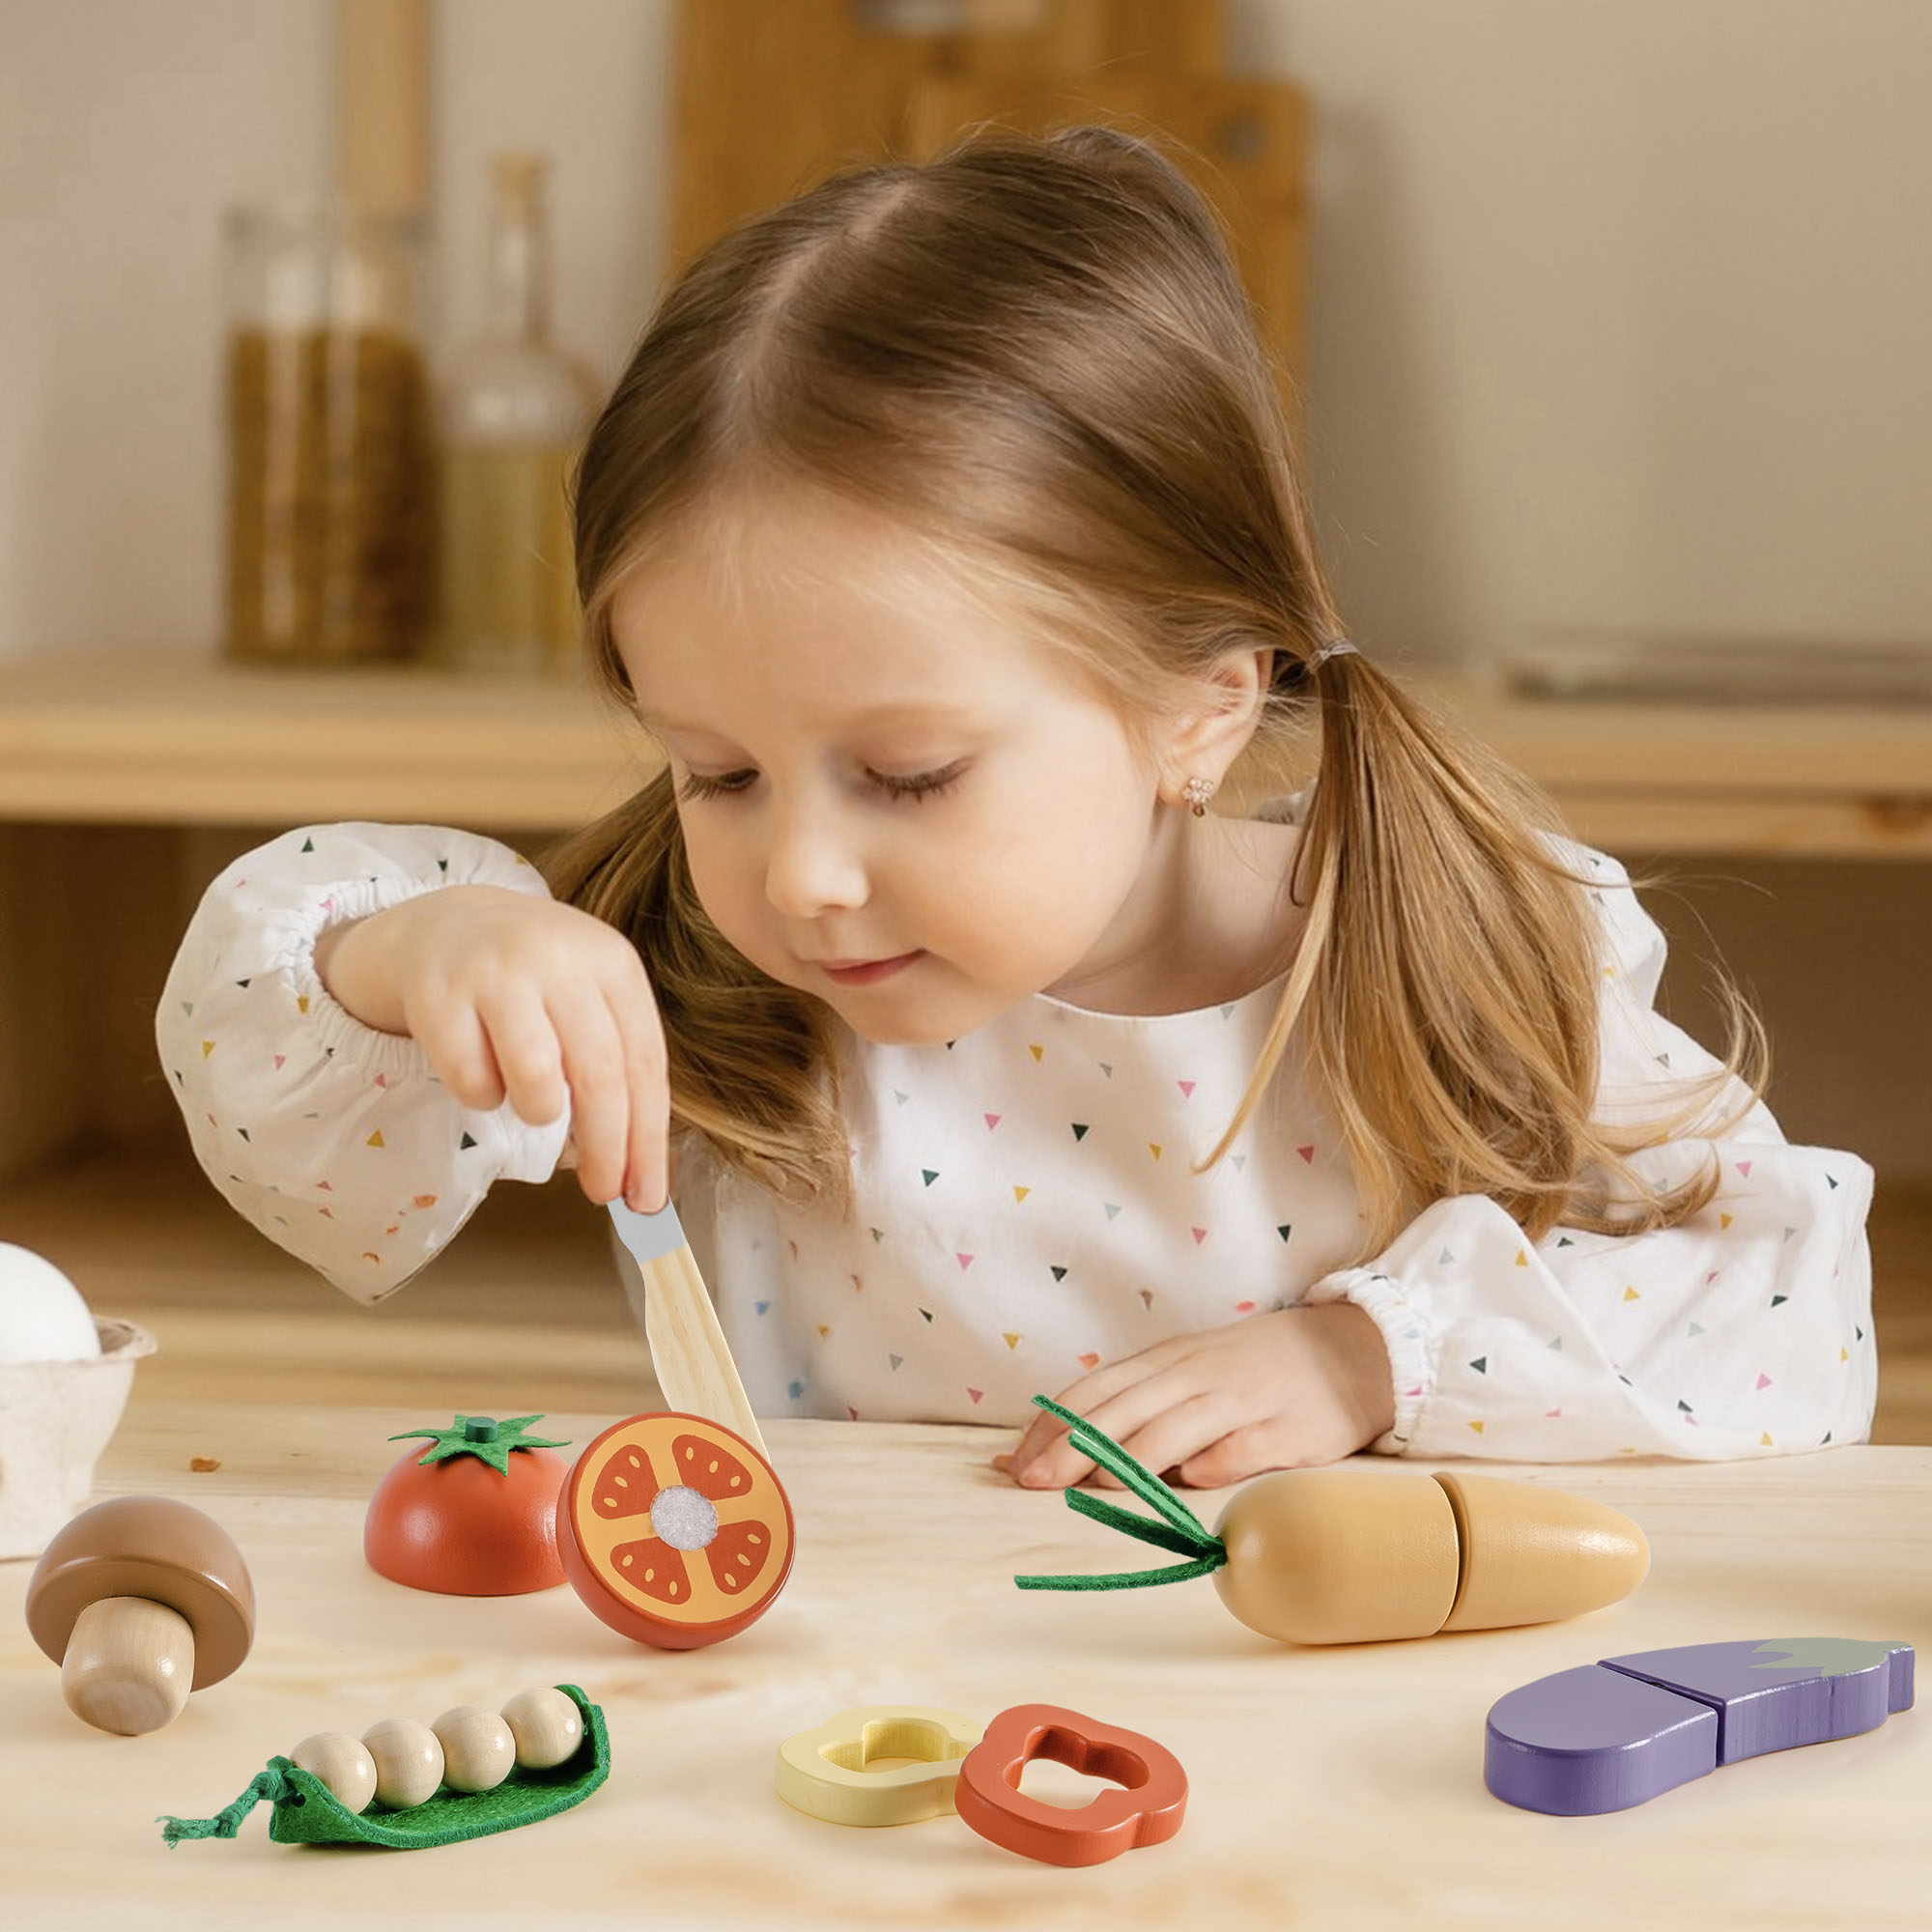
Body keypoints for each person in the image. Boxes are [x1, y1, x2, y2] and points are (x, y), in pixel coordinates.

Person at [156, 126, 1874, 1491]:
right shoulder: (696, 980)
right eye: (718, 771)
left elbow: (1785, 1304)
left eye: (911, 776)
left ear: (1202, 709)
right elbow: (279, 1095)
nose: (806, 873)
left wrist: (1366, 1361)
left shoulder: (1461, 941)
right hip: (868, 1730)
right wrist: (416, 948)